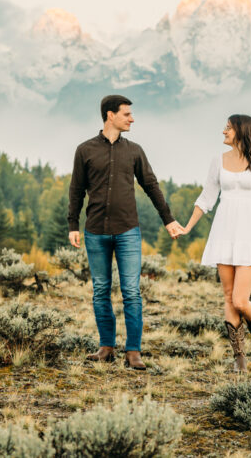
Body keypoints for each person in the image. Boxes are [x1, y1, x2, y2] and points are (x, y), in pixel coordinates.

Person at [68, 94, 184, 371]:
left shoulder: (134, 151)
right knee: (100, 291)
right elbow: (76, 190)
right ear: (110, 115)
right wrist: (72, 224)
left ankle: (133, 352)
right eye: (126, 114)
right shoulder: (84, 150)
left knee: (131, 292)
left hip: (128, 232)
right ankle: (106, 347)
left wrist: (168, 219)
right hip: (95, 231)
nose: (132, 118)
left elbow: (151, 185)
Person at [176, 114, 251, 372]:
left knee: (240, 300)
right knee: (227, 297)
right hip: (224, 230)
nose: (223, 131)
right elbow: (207, 197)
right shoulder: (218, 160)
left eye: (228, 128)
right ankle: (239, 358)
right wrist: (188, 226)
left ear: (242, 131)